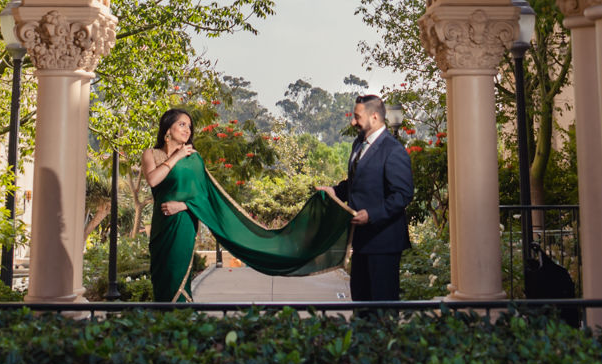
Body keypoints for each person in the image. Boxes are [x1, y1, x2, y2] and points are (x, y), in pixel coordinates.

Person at [142, 107, 352, 302]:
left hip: (182, 223)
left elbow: (204, 196)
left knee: (177, 278)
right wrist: (176, 156)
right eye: (182, 124)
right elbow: (153, 180)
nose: (187, 130)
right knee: (161, 276)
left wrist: (184, 206)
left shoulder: (194, 160)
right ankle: (160, 327)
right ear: (167, 128)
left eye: (189, 126)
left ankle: (178, 324)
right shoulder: (151, 154)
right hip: (162, 226)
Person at [318, 93, 414, 303]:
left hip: (384, 242)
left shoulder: (393, 150)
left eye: (357, 116)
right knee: (361, 304)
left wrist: (371, 215)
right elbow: (355, 182)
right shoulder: (358, 144)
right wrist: (336, 191)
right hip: (361, 241)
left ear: (374, 118)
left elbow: (403, 194)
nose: (353, 122)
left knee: (382, 308)